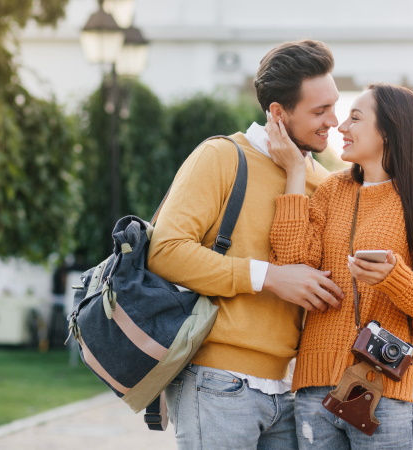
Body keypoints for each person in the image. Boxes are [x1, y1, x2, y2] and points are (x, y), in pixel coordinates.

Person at [147, 39, 344, 449]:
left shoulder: (324, 184)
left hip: (292, 390)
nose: (334, 121)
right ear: (278, 112)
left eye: (335, 106)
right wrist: (268, 277)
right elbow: (164, 250)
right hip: (216, 382)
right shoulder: (221, 157)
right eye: (319, 111)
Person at [267, 83, 413, 449]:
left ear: (389, 130)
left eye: (355, 118)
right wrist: (295, 173)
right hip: (315, 388)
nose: (341, 127)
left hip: (385, 391)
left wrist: (394, 278)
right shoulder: (331, 190)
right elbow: (294, 263)